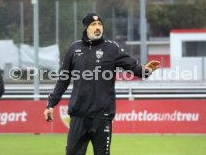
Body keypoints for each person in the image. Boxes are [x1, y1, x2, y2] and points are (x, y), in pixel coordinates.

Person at [44, 13, 160, 155]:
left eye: (100, 24)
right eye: (93, 25)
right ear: (86, 28)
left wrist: (146, 70)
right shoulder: (74, 49)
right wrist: (50, 104)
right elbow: (63, 79)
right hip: (78, 115)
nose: (97, 27)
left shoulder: (111, 48)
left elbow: (132, 66)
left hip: (102, 116)